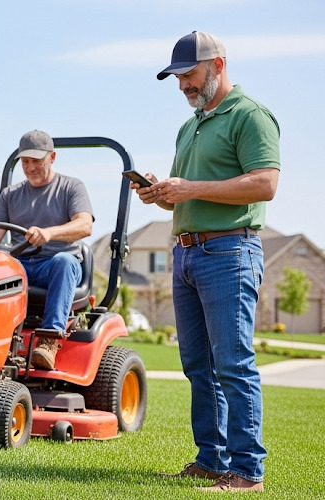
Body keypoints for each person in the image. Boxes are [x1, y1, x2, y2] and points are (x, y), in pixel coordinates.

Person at [132, 31, 278, 493]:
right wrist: (161, 194)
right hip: (187, 254)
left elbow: (264, 184)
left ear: (217, 65)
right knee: (198, 365)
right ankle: (211, 460)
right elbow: (186, 200)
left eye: (189, 75)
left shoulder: (251, 116)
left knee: (233, 363)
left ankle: (248, 470)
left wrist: (189, 188)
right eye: (177, 78)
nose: (182, 86)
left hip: (230, 253)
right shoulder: (191, 125)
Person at [0, 130, 94, 369]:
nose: (31, 167)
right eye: (25, 162)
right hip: (20, 265)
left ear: (52, 157)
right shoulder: (10, 194)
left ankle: (48, 341)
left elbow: (85, 225)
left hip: (54, 265)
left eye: (37, 161)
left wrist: (49, 233)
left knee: (63, 261)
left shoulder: (71, 187)